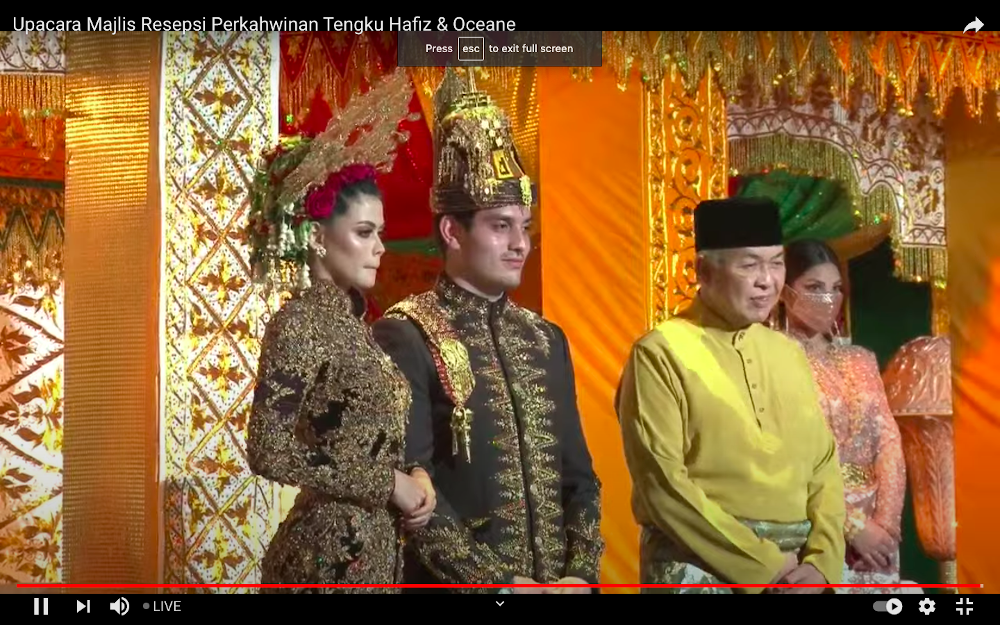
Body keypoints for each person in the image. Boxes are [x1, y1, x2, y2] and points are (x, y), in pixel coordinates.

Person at [372, 68, 604, 595]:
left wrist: (580, 576)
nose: (520, 243)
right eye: (501, 226)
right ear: (453, 231)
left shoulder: (546, 339)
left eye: (524, 226)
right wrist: (501, 584)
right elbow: (414, 487)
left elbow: (581, 479)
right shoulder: (406, 333)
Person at [245, 68, 436, 593]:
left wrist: (415, 480)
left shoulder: (357, 327)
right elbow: (267, 448)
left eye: (382, 234)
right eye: (364, 232)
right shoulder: (301, 323)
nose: (380, 248)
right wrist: (385, 485)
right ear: (317, 239)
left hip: (376, 555)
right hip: (323, 561)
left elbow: (373, 444)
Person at [615, 197, 846, 594]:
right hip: (702, 565)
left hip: (800, 573)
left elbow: (824, 463)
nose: (767, 280)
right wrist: (768, 568)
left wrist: (823, 562)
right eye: (749, 265)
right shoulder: (660, 352)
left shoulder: (788, 352)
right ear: (704, 270)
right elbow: (662, 484)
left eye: (776, 263)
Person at [781, 238, 920, 594]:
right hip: (812, 524)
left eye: (836, 288)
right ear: (785, 292)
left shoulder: (860, 360)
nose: (828, 299)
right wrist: (853, 526)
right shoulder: (773, 360)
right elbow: (786, 459)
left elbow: (888, 442)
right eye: (814, 287)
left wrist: (885, 527)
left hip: (876, 534)